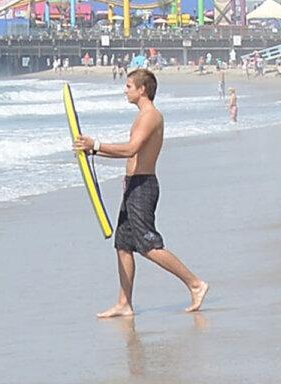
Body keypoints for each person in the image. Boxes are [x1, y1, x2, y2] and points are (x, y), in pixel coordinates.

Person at [73, 69, 209, 317]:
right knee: (123, 245)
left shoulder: (150, 116)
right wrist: (92, 151)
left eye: (128, 86)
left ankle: (195, 284)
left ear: (142, 89)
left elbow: (131, 149)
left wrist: (97, 145)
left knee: (148, 245)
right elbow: (130, 152)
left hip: (143, 187)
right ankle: (125, 303)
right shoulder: (143, 116)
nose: (125, 90)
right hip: (133, 186)